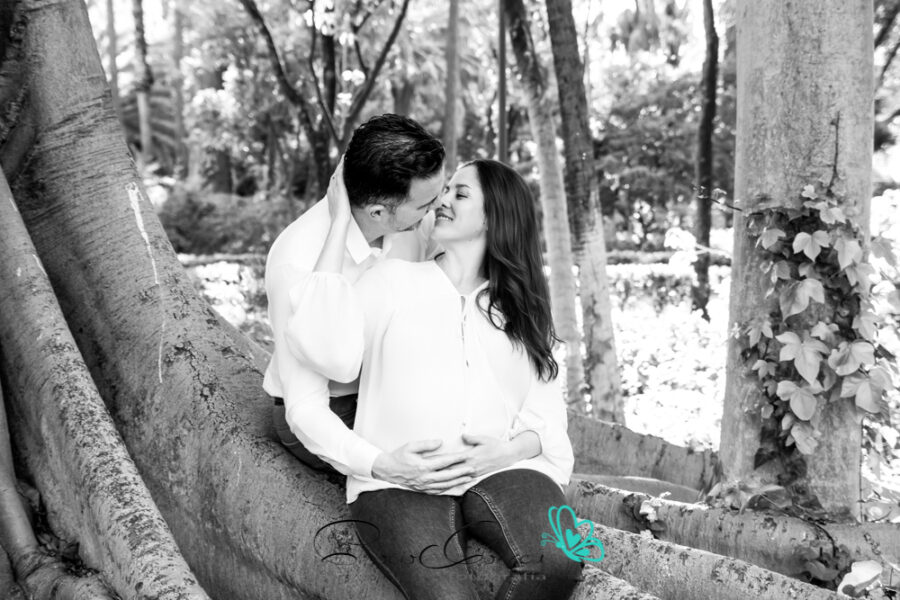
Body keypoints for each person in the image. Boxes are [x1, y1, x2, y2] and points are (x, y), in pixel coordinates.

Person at [290, 159, 581, 599]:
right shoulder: (391, 280)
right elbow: (322, 355)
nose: (442, 201)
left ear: (495, 215)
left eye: (459, 194)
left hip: (505, 469)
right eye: (445, 191)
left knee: (560, 560)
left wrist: (504, 452)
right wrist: (339, 224)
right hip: (398, 480)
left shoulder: (521, 308)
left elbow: (548, 415)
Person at [264, 113, 469, 488]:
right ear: (377, 212)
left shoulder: (410, 220)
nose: (440, 206)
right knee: (437, 479)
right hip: (335, 409)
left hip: (399, 389)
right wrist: (382, 465)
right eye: (427, 204)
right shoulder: (298, 259)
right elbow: (305, 407)